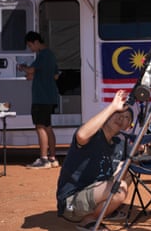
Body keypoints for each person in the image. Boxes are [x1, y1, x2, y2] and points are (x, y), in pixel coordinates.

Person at [56, 90, 134, 231]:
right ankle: (89, 220)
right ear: (108, 115)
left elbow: (138, 162)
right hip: (71, 201)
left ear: (128, 126)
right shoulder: (93, 135)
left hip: (93, 193)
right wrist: (112, 106)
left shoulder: (119, 144)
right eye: (118, 113)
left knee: (128, 173)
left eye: (127, 117)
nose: (121, 118)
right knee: (119, 188)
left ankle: (103, 211)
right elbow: (81, 135)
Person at [18, 31, 60, 169]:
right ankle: (53, 158)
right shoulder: (51, 55)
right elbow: (55, 76)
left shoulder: (42, 55)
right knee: (47, 127)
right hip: (50, 96)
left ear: (36, 42)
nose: (31, 48)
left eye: (30, 45)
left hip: (41, 97)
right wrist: (38, 77)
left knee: (40, 126)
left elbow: (31, 70)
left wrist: (22, 67)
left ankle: (43, 159)